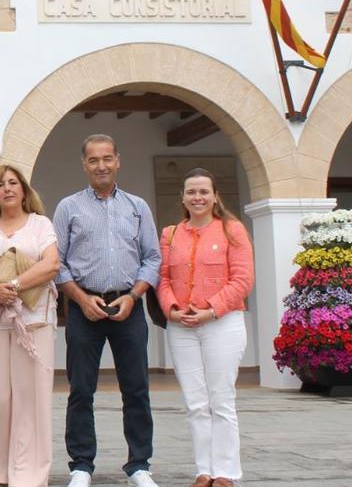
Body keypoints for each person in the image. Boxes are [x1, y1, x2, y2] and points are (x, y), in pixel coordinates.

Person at [54, 134, 162, 487]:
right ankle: (82, 465)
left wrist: (133, 296)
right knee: (81, 389)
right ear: (84, 165)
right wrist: (81, 299)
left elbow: (152, 259)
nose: (100, 165)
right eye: (93, 160)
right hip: (84, 307)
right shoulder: (68, 207)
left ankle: (139, 464)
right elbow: (56, 263)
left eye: (106, 159)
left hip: (128, 305)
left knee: (136, 388)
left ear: (118, 160)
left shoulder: (138, 206)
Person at [0, 164, 60, 487]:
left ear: (23, 189)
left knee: (31, 397)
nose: (7, 188)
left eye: (13, 183)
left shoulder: (40, 224)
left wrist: (13, 285)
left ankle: (28, 474)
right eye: (0, 184)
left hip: (32, 321)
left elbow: (51, 264)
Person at [157, 168, 254, 487]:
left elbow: (242, 280)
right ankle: (204, 470)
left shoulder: (232, 230)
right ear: (182, 198)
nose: (197, 197)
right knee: (195, 402)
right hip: (181, 327)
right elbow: (164, 279)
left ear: (215, 196)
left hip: (221, 324)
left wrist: (210, 310)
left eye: (203, 191)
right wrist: (172, 309)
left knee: (221, 399)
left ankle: (225, 472)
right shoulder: (171, 234)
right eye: (191, 192)